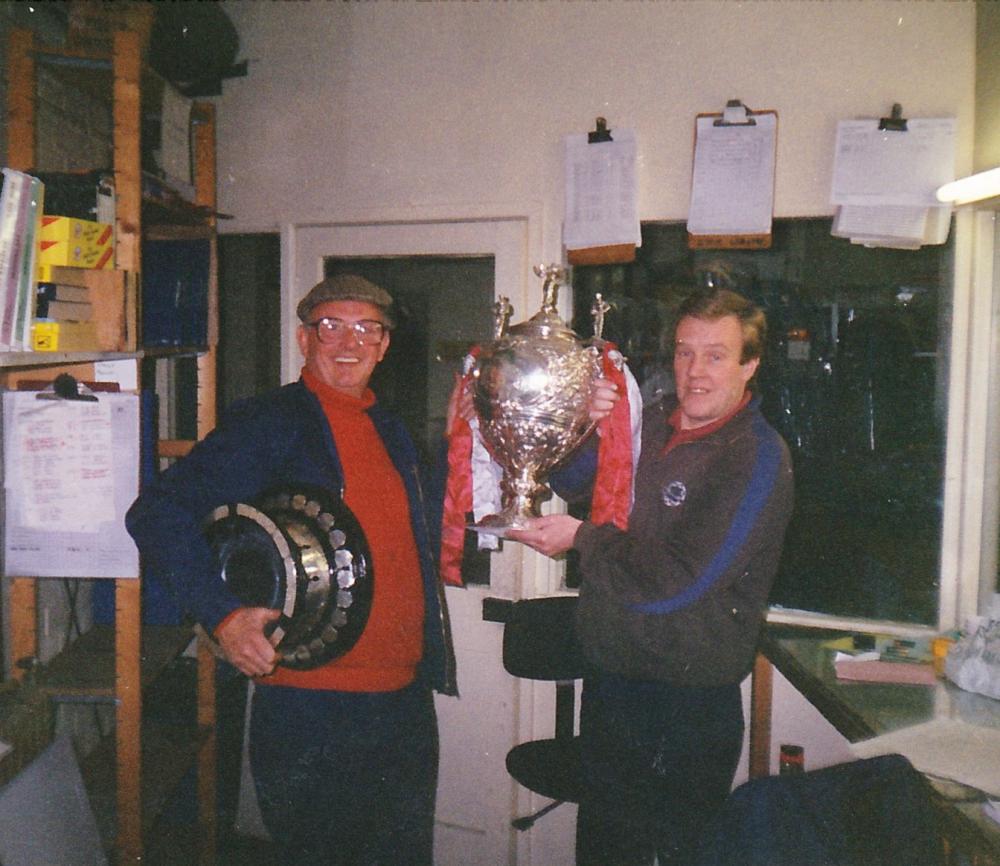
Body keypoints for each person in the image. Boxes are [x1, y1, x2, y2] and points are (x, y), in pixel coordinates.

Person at [126, 274, 457, 866]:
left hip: (404, 703)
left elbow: (416, 535)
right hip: (312, 708)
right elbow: (157, 513)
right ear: (305, 340)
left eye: (367, 328)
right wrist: (224, 617)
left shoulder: (393, 428)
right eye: (331, 325)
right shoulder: (270, 421)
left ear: (385, 345)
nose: (348, 341)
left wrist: (467, 442)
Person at [508, 286, 794, 865]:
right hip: (613, 684)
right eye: (685, 352)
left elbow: (680, 584)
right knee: (605, 853)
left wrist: (580, 539)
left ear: (750, 364)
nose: (695, 371)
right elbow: (579, 484)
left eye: (716, 355)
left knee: (673, 855)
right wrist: (587, 430)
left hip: (685, 705)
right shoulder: (653, 428)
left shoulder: (754, 456)